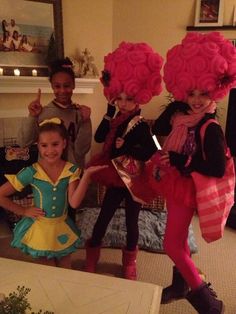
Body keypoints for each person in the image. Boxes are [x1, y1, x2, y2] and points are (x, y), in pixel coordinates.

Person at [150, 32, 236, 313]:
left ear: (216, 90)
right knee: (180, 237)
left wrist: (179, 160)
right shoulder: (181, 117)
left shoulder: (209, 127)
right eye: (191, 93)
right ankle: (180, 285)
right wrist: (176, 105)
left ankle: (209, 304)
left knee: (172, 244)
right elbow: (158, 130)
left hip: (186, 188)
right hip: (178, 183)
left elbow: (216, 167)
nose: (197, 100)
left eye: (204, 93)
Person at [85, 41, 163, 280]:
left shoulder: (140, 124)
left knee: (132, 222)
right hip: (115, 175)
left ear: (140, 97)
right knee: (103, 216)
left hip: (134, 179)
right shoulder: (115, 117)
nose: (124, 103)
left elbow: (152, 149)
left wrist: (127, 146)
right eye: (119, 98)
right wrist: (108, 114)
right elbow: (99, 138)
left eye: (129, 99)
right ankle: (92, 257)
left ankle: (130, 263)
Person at [0, 119, 105, 269]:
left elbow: (74, 203)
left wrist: (86, 176)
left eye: (55, 144)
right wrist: (23, 211)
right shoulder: (31, 172)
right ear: (38, 145)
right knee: (47, 271)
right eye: (44, 145)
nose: (50, 150)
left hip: (61, 226)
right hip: (40, 229)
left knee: (65, 268)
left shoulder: (71, 171)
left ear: (64, 143)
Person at [17, 58, 92, 222]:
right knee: (46, 218)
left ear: (73, 86)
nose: (62, 90)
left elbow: (82, 149)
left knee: (69, 218)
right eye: (57, 86)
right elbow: (23, 142)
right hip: (47, 178)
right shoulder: (42, 112)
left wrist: (86, 121)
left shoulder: (80, 113)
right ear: (52, 87)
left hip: (71, 177)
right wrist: (32, 116)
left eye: (67, 86)